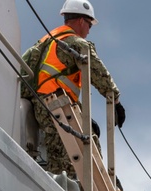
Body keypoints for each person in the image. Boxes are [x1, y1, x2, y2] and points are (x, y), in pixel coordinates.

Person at [21, 0, 125, 178]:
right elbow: (99, 74)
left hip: (40, 105)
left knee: (62, 152)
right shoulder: (76, 43)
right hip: (57, 105)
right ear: (82, 21)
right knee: (69, 160)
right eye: (90, 24)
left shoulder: (47, 40)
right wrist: (115, 101)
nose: (90, 30)